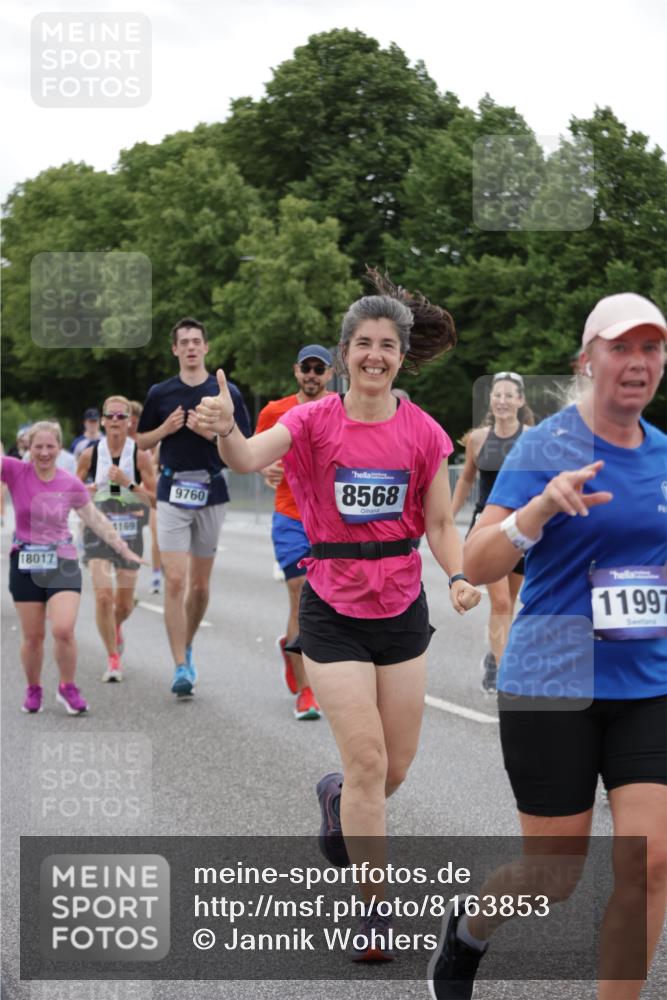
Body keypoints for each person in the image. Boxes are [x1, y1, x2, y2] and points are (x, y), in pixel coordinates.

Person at [197, 271, 481, 959]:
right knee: (366, 762)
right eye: (361, 344)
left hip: (401, 608)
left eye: (387, 344)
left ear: (401, 353)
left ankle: (337, 804)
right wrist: (224, 431)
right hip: (331, 607)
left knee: (396, 769)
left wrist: (460, 573)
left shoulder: (422, 432)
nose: (373, 355)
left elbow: (440, 523)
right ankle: (375, 911)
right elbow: (245, 456)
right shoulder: (311, 420)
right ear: (345, 350)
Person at [428, 293, 667, 1000]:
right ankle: (468, 934)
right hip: (551, 678)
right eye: (620, 347)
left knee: (650, 864)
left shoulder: (663, 458)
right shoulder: (542, 447)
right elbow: (474, 564)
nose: (636, 362)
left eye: (650, 349)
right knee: (553, 874)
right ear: (586, 360)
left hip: (646, 683)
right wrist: (535, 511)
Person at [136, 317, 251, 696]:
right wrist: (165, 430)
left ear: (206, 348)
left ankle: (187, 643)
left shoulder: (225, 393)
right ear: (174, 349)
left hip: (210, 489)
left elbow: (244, 443)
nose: (189, 347)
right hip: (172, 489)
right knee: (175, 580)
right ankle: (180, 665)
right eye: (183, 342)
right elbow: (141, 439)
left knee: (199, 587)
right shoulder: (160, 393)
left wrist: (211, 431)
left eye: (195, 341)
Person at [1, 421, 143, 715]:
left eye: (50, 446)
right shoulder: (15, 471)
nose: (43, 453)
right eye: (38, 446)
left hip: (62, 562)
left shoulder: (69, 482)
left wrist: (122, 547)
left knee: (64, 629)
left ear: (59, 448)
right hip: (25, 561)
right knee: (33, 636)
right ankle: (33, 687)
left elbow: (94, 518)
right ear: (28, 447)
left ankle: (67, 687)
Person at [256, 344, 335, 721]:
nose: (312, 375)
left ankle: (292, 649)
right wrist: (263, 468)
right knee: (301, 595)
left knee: (330, 601)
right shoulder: (275, 411)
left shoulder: (343, 408)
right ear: (296, 371)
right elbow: (254, 452)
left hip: (332, 520)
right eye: (307, 368)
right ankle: (306, 692)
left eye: (319, 369)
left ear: (330, 374)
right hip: (290, 516)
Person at [451, 372, 534, 692]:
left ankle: (494, 655)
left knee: (511, 603)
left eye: (509, 395)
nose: (501, 400)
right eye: (497, 395)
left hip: (521, 526)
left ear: (520, 401)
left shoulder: (533, 438)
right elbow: (466, 480)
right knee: (500, 602)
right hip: (487, 524)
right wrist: (448, 516)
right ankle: (503, 672)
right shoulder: (478, 439)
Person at [77, 396, 156, 682]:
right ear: (102, 421)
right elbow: (74, 491)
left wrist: (129, 483)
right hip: (98, 531)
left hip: (130, 532)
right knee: (102, 596)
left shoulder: (140, 456)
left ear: (129, 422)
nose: (115, 421)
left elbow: (155, 501)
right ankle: (113, 659)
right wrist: (85, 491)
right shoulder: (89, 455)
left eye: (121, 417)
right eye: (110, 416)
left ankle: (115, 627)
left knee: (122, 605)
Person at [129, 399, 162, 595]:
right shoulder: (118, 443)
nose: (132, 423)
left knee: (158, 534)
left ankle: (157, 576)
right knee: (129, 535)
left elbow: (156, 463)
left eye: (135, 419)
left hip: (148, 491)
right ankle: (125, 571)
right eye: (129, 419)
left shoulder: (148, 439)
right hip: (126, 494)